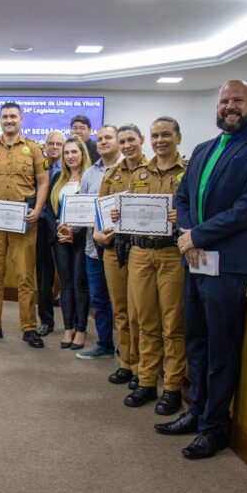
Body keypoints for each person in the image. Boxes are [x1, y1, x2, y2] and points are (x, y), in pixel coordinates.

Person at [161, 80, 247, 459]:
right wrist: (187, 233)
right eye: (224, 100)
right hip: (195, 259)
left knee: (221, 346)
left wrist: (197, 234)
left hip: (228, 264)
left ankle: (215, 427)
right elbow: (182, 198)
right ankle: (196, 410)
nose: (230, 106)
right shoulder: (202, 149)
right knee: (195, 339)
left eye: (237, 100)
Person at [115, 123, 187, 415]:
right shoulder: (139, 173)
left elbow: (199, 209)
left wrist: (183, 214)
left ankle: (171, 387)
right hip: (140, 253)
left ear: (177, 138)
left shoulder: (188, 171)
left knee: (172, 324)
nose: (160, 141)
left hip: (171, 253)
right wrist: (120, 214)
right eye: (156, 136)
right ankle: (146, 381)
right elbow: (129, 209)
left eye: (166, 135)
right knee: (144, 321)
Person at [0, 102, 49, 348]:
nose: (9, 120)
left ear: (21, 119)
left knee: (25, 277)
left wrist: (38, 209)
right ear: (0, 120)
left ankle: (28, 328)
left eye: (13, 116)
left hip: (24, 221)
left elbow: (43, 181)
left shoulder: (34, 148)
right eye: (5, 116)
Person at [93, 125, 144, 390]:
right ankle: (126, 362)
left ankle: (142, 369)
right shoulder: (112, 174)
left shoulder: (152, 170)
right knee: (121, 311)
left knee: (139, 313)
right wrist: (97, 234)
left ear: (141, 140)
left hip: (142, 249)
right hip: (114, 248)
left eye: (130, 140)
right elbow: (99, 210)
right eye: (122, 141)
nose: (126, 145)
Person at [75, 125, 123, 360]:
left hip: (122, 249)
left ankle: (126, 351)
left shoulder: (130, 168)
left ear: (118, 141)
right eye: (100, 138)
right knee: (99, 299)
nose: (103, 142)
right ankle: (104, 343)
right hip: (93, 248)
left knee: (123, 303)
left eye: (108, 138)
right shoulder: (89, 173)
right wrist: (68, 226)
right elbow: (83, 209)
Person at [46, 137, 92, 349]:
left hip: (83, 239)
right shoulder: (58, 178)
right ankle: (68, 327)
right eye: (67, 153)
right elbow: (49, 210)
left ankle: (81, 329)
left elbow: (94, 210)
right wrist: (59, 229)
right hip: (61, 239)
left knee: (80, 284)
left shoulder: (90, 178)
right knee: (65, 284)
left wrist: (75, 230)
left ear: (82, 154)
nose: (70, 156)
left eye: (74, 152)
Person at [36, 130, 65, 337]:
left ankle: (72, 324)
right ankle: (46, 321)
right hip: (41, 226)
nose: (54, 147)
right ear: (44, 146)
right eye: (51, 143)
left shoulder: (73, 168)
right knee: (44, 277)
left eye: (59, 144)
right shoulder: (38, 167)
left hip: (64, 229)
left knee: (68, 278)